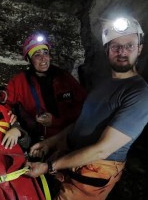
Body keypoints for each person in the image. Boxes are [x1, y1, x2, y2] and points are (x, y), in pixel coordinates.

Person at [25, 16, 148, 200]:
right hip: (72, 157)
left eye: (129, 45)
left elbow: (102, 150)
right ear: (107, 50)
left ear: (139, 48)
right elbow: (82, 122)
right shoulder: (104, 83)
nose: (122, 52)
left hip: (95, 169)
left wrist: (50, 166)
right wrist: (51, 142)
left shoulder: (140, 94)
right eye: (115, 46)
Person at [6, 32, 87, 145]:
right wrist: (15, 126)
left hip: (70, 135)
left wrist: (55, 121)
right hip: (38, 140)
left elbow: (84, 105)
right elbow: (5, 104)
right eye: (37, 55)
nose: (43, 58)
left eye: (46, 53)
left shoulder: (64, 77)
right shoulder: (19, 82)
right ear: (29, 59)